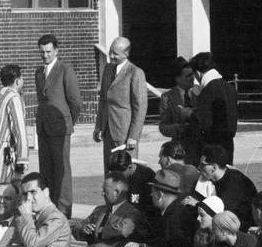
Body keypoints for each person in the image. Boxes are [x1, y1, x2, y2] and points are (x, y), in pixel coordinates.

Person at [33, 34, 83, 217]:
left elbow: (75, 101)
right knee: (46, 169)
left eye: (48, 52)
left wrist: (67, 120)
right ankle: (48, 207)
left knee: (61, 169)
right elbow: (41, 99)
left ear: (56, 51)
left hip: (60, 128)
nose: (45, 56)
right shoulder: (39, 72)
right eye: (42, 52)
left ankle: (63, 209)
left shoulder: (65, 70)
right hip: (43, 128)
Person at [95, 37, 148, 165]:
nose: (111, 56)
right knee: (110, 171)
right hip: (108, 132)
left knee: (126, 172)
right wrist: (98, 127)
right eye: (110, 52)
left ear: (126, 54)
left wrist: (133, 136)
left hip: (125, 134)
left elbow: (140, 107)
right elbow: (103, 101)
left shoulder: (135, 73)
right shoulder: (107, 70)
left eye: (115, 54)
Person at [195, 143, 257, 228]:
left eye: (202, 165)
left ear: (214, 167)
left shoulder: (234, 183)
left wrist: (197, 204)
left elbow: (221, 214)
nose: (199, 167)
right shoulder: (209, 179)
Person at [191, 51, 238, 163]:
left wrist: (190, 114)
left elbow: (205, 124)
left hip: (212, 146)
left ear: (197, 73)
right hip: (228, 144)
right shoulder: (229, 87)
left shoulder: (207, 91)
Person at [158, 60, 200, 159]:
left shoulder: (201, 92)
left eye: (193, 74)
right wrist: (177, 128)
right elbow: (163, 126)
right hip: (180, 148)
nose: (192, 78)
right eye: (188, 76)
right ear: (178, 79)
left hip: (201, 145)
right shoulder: (167, 97)